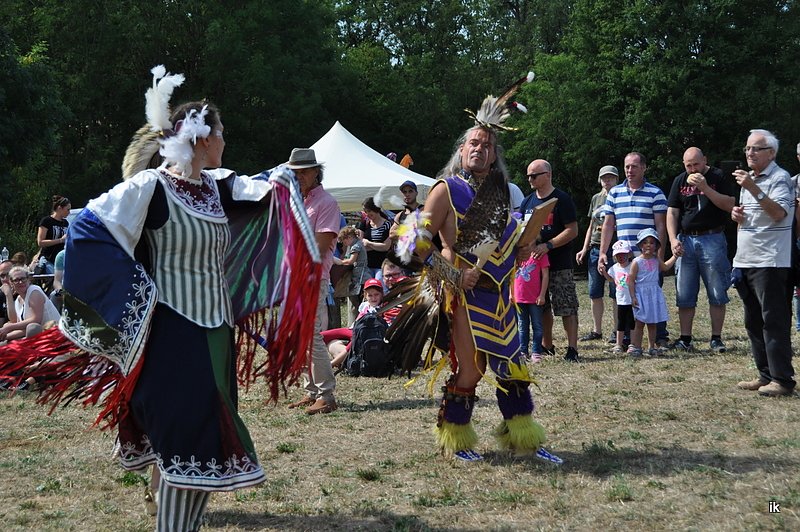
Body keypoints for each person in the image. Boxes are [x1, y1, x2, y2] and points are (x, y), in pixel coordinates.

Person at [0, 66, 322, 529]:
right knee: (182, 445)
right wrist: (137, 298)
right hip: (171, 335)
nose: (226, 142)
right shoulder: (149, 188)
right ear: (202, 138)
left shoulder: (217, 186)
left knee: (205, 448)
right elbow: (88, 227)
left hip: (216, 335)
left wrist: (289, 177)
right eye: (222, 134)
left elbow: (267, 188)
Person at [399, 80, 560, 464]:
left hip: (501, 295)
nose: (479, 148)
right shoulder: (446, 190)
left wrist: (522, 249)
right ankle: (455, 438)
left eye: (487, 145)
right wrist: (453, 275)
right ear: (462, 150)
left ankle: (524, 439)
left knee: (513, 368)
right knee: (470, 370)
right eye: (474, 143)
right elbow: (410, 244)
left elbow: (509, 241)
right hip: (465, 297)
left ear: (494, 155)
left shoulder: (505, 192)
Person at [732, 129, 795, 397]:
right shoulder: (752, 180)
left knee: (773, 321)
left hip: (771, 261)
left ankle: (782, 380)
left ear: (771, 153)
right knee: (754, 321)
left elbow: (780, 213)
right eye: (747, 148)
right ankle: (765, 375)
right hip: (747, 259)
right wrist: (737, 214)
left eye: (756, 148)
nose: (750, 153)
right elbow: (759, 215)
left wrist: (752, 189)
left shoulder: (779, 178)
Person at [287, 147, 341, 415]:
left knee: (310, 336)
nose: (299, 176)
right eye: (295, 172)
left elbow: (319, 247)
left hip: (312, 277)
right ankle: (312, 392)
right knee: (303, 337)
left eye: (304, 171)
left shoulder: (326, 203)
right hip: (298, 277)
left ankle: (326, 394)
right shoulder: (300, 202)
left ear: (316, 172)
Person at [666, 147, 735, 352]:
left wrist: (705, 187)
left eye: (696, 164)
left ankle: (716, 338)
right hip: (686, 240)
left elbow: (730, 204)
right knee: (684, 293)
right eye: (688, 165)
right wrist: (672, 239)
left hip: (712, 238)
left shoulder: (718, 176)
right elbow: (672, 212)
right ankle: (685, 338)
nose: (693, 169)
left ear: (705, 160)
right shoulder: (680, 180)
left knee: (716, 290)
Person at [598, 152, 670, 347]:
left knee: (652, 295)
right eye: (627, 166)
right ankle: (628, 339)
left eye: (634, 166)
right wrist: (603, 252)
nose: (630, 170)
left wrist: (660, 254)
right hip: (625, 259)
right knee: (626, 297)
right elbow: (608, 225)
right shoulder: (614, 193)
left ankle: (659, 337)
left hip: (647, 258)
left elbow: (661, 226)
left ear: (644, 168)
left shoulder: (655, 193)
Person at [519, 160, 580, 362]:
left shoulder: (561, 199)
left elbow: (572, 230)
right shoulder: (527, 202)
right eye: (528, 175)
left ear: (548, 174)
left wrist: (549, 245)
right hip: (534, 266)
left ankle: (572, 348)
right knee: (541, 306)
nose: (530, 179)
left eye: (534, 175)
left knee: (566, 305)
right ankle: (547, 345)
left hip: (559, 261)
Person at [576, 165, 619, 343]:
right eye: (604, 178)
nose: (607, 181)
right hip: (594, 247)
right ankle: (596, 330)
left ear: (616, 179)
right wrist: (584, 248)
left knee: (616, 292)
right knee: (594, 292)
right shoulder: (596, 199)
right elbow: (591, 225)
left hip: (614, 249)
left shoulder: (620, 196)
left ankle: (617, 330)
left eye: (610, 177)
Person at [628, 229, 677, 357]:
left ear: (656, 246)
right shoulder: (636, 262)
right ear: (640, 245)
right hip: (641, 295)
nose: (648, 245)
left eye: (651, 242)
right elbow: (631, 280)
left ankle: (651, 347)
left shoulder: (656, 260)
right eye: (645, 242)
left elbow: (665, 267)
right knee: (639, 323)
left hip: (653, 294)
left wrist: (675, 256)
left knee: (652, 323)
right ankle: (637, 347)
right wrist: (633, 296)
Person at [323, 278, 385, 369]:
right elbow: (358, 318)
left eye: (376, 294)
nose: (373, 298)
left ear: (382, 295)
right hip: (353, 329)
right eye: (370, 295)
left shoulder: (382, 308)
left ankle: (331, 364)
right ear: (365, 296)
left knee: (351, 346)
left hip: (364, 334)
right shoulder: (364, 305)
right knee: (322, 336)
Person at [0, 266, 60, 342]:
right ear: (11, 283)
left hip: (52, 334)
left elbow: (36, 320)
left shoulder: (34, 291)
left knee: (33, 327)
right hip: (37, 336)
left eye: (23, 279)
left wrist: (10, 327)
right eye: (16, 280)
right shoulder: (18, 301)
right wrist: (4, 336)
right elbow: (21, 328)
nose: (20, 282)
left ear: (28, 280)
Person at [514, 248, 549, 363]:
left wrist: (542, 295)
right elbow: (511, 275)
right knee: (522, 326)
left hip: (535, 299)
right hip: (519, 298)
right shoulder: (517, 254)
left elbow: (545, 275)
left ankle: (536, 352)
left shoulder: (540, 255)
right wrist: (511, 294)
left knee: (537, 326)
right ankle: (523, 351)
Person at [603, 240, 635, 354]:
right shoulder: (614, 268)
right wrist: (604, 273)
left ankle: (633, 344)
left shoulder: (633, 266)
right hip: (620, 301)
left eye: (623, 254)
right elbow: (611, 280)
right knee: (620, 323)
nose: (621, 257)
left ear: (629, 254)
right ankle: (618, 344)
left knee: (632, 323)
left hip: (632, 301)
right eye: (618, 255)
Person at [333, 226, 368, 325]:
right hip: (358, 274)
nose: (344, 244)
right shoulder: (356, 244)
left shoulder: (356, 246)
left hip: (361, 276)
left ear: (348, 237)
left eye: (344, 241)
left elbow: (351, 260)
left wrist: (339, 262)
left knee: (358, 301)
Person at [359, 197, 392, 279]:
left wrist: (368, 243)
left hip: (382, 266)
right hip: (366, 265)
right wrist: (377, 246)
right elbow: (359, 245)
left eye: (369, 211)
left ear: (376, 209)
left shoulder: (387, 225)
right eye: (365, 211)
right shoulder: (364, 224)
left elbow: (386, 247)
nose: (367, 214)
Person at [37, 195, 71, 274]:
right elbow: (40, 242)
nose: (69, 212)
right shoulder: (47, 221)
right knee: (55, 278)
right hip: (48, 258)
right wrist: (60, 240)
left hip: (61, 259)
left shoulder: (65, 223)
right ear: (60, 208)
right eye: (67, 210)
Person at [0, 260, 11, 326]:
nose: (5, 279)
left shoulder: (24, 292)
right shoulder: (1, 294)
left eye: (9, 275)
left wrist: (8, 295)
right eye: (2, 276)